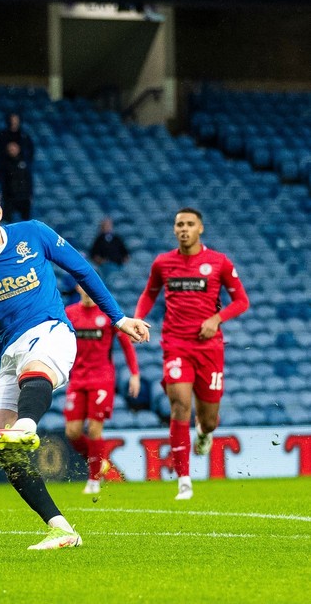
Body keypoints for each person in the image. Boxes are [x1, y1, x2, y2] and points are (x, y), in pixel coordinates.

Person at [0, 178, 150, 550]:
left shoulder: (33, 234)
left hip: (53, 331)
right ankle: (61, 529)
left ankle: (27, 423)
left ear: (0, 213)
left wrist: (119, 318)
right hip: (10, 354)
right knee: (5, 449)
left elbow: (83, 271)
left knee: (33, 373)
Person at [134, 207, 249, 501]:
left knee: (209, 419)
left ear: (201, 229)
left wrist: (216, 319)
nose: (183, 229)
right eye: (179, 224)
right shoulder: (163, 263)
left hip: (209, 349)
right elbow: (149, 293)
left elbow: (241, 301)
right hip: (176, 344)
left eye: (189, 224)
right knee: (180, 405)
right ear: (174, 230)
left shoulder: (218, 262)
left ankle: (205, 432)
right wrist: (137, 318)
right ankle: (184, 479)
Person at [63, 285, 140, 495]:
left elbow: (126, 344)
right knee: (72, 432)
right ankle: (99, 462)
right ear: (78, 288)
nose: (88, 291)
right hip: (77, 379)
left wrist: (134, 373)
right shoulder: (69, 313)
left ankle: (94, 480)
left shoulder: (107, 313)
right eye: (84, 287)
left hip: (101, 379)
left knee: (95, 430)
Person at [0, 140, 32, 222]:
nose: (12, 151)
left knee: (25, 220)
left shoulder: (24, 162)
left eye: (14, 148)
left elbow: (29, 179)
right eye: (10, 149)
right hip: (9, 196)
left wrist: (30, 194)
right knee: (8, 220)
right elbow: (1, 180)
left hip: (23, 196)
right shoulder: (4, 164)